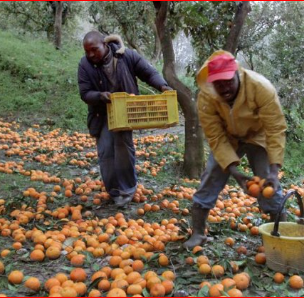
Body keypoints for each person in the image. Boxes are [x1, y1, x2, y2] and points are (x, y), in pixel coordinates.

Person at [183, 50, 288, 249]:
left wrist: (274, 171)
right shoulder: (207, 97)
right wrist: (234, 172)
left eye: (228, 81)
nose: (224, 88)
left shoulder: (260, 88)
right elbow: (215, 135)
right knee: (212, 174)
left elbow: (275, 129)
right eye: (218, 84)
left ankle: (279, 235)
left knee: (267, 181)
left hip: (258, 135)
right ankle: (197, 233)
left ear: (237, 74)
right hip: (228, 137)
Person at [78, 31, 171, 207]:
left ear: (105, 45)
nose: (91, 55)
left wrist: (162, 86)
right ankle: (114, 192)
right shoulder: (85, 65)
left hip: (125, 111)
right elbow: (84, 93)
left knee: (123, 149)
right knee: (106, 152)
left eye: (94, 50)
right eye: (87, 51)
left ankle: (127, 190)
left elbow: (148, 73)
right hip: (102, 113)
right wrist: (100, 95)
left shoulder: (126, 56)